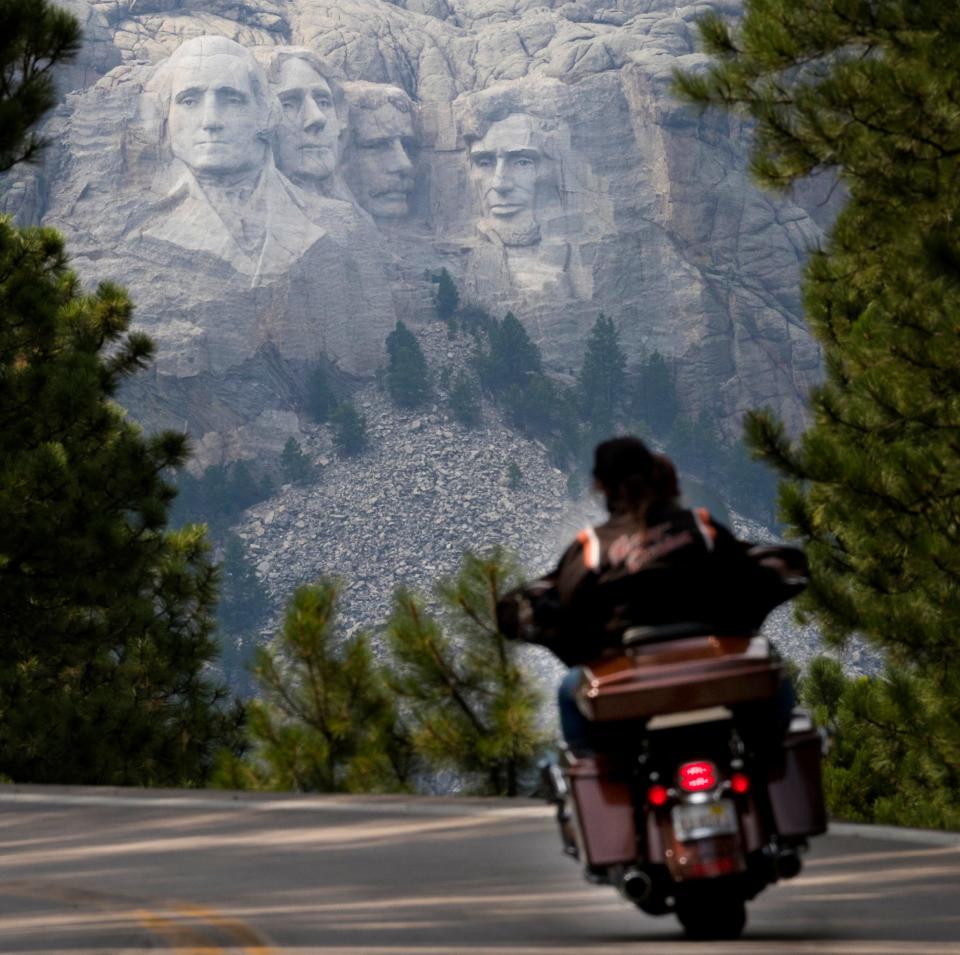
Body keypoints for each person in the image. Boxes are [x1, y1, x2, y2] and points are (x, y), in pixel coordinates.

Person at [498, 435, 805, 756]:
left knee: (569, 693)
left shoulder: (593, 548)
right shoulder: (699, 528)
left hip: (629, 681)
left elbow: (557, 602)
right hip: (713, 669)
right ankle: (775, 766)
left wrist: (577, 641)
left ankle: (604, 789)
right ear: (655, 473)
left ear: (601, 486)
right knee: (771, 684)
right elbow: (754, 572)